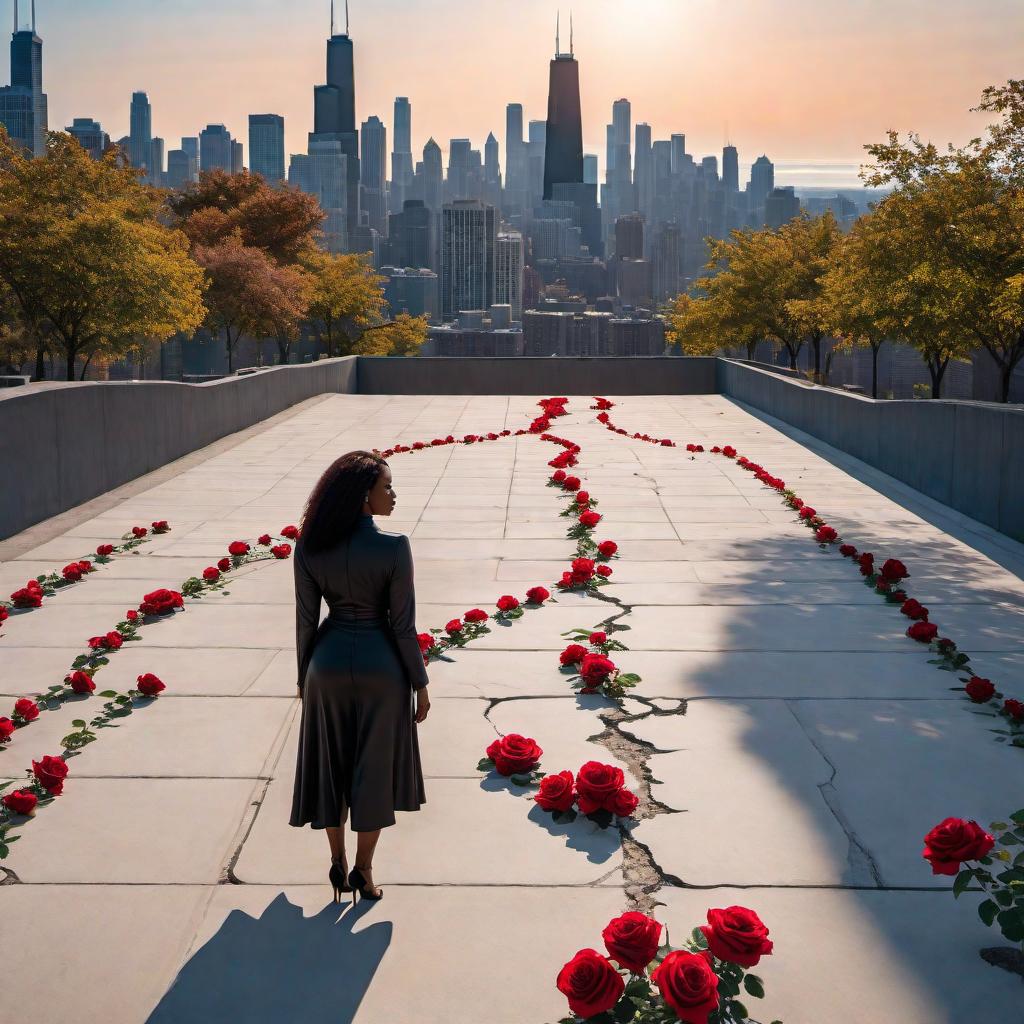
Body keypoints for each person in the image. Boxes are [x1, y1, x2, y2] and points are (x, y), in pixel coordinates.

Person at [289, 450, 430, 905]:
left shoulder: (309, 547)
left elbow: (305, 622)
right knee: (372, 770)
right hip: (381, 667)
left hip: (325, 664)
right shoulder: (393, 547)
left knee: (330, 763)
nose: (393, 494)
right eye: (386, 486)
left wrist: (302, 678)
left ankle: (336, 858)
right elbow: (403, 626)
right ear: (364, 498)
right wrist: (421, 683)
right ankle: (364, 872)